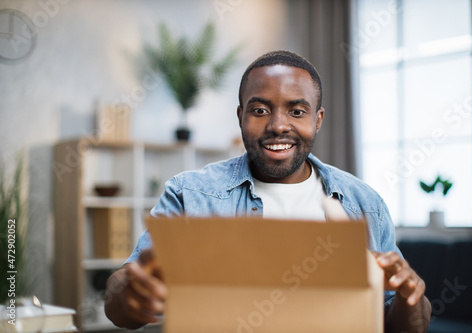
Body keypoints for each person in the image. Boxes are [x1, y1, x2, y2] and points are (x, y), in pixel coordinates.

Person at [105, 50, 431, 332]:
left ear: (318, 120)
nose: (277, 125)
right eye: (260, 110)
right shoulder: (189, 194)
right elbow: (121, 300)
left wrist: (408, 296)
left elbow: (399, 324)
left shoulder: (365, 204)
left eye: (297, 111)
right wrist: (128, 291)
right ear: (240, 116)